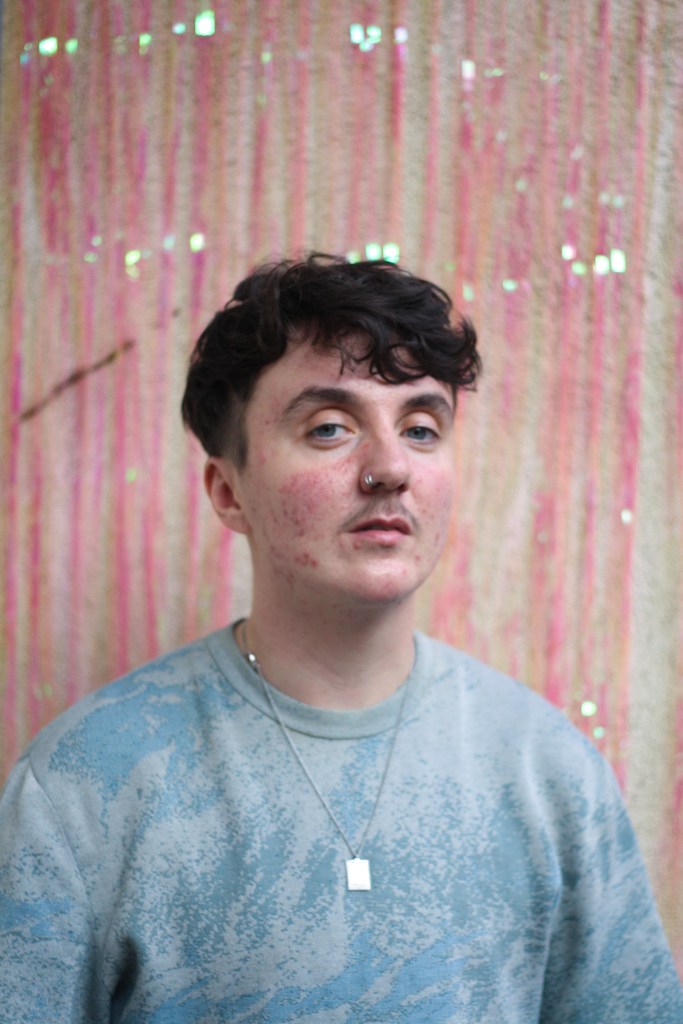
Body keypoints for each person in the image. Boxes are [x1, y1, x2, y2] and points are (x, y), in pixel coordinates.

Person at [0, 253, 681, 1023]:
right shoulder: (84, 783)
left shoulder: (547, 771)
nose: (390, 467)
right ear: (228, 491)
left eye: (421, 428)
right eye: (329, 428)